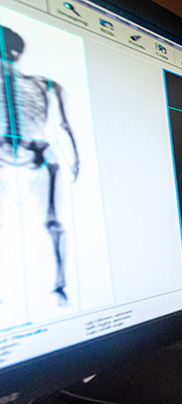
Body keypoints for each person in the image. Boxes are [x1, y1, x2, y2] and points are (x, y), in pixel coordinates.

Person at [0, 26, 79, 305]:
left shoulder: (46, 85)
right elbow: (63, 125)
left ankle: (60, 288)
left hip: (38, 153)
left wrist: (74, 158)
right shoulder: (46, 85)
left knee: (53, 223)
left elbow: (63, 124)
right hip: (21, 151)